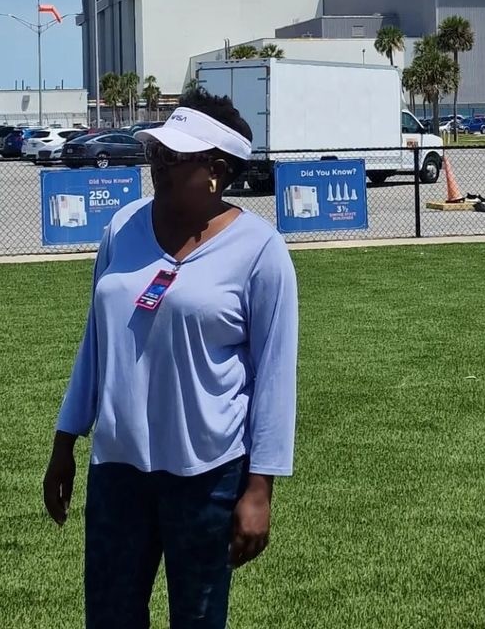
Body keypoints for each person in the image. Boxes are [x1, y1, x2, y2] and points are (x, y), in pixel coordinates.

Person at [43, 89, 299, 629]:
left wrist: (259, 489)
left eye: (175, 157)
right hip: (117, 471)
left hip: (206, 477)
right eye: (156, 153)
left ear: (218, 170)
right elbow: (96, 340)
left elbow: (275, 378)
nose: (158, 165)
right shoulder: (121, 229)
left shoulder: (260, 251)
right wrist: (65, 441)